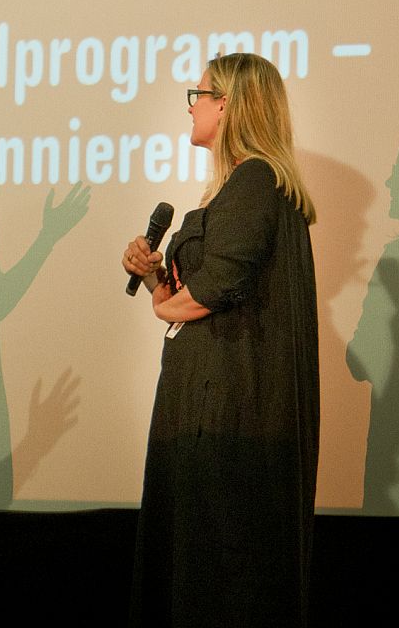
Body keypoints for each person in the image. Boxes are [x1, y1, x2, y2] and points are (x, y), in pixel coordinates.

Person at [120, 53, 319, 627]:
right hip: (215, 403)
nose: (192, 106)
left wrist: (166, 303)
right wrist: (156, 277)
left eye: (198, 95)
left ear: (227, 104)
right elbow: (203, 290)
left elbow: (219, 286)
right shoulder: (240, 187)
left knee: (220, 573)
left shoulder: (255, 179)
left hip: (229, 411)